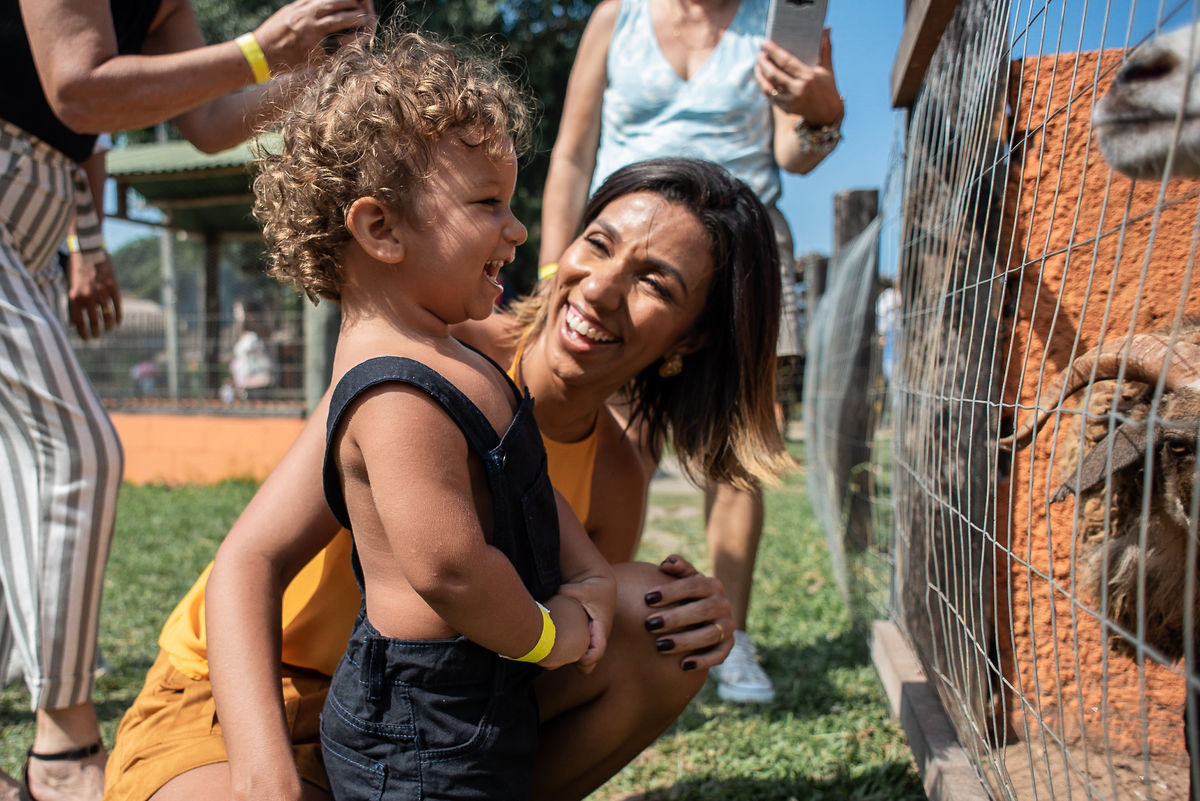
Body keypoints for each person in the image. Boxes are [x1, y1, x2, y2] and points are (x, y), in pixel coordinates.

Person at [105, 155, 790, 801]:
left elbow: (570, 638)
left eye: (654, 282)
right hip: (244, 697)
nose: (602, 288)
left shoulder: (614, 474)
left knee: (656, 617)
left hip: (423, 726)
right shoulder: (433, 343)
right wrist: (266, 778)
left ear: (690, 339)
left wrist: (693, 615)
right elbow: (249, 560)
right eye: (600, 243)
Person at [0, 2, 374, 799]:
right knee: (74, 452)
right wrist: (262, 46)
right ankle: (61, 746)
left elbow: (206, 119)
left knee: (18, 468)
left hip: (38, 208)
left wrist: (316, 67)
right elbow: (79, 92)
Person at [249, 34, 617, 797]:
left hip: (474, 692)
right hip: (424, 722)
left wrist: (590, 575)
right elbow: (449, 568)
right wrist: (549, 635)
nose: (516, 230)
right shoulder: (395, 394)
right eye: (488, 203)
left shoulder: (448, 347)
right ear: (380, 229)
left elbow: (525, 481)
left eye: (512, 204)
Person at [538, 0, 844, 703]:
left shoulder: (769, 23)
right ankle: (594, 619)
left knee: (735, 456)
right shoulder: (617, 16)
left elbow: (795, 154)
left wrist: (822, 113)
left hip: (740, 264)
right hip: (625, 260)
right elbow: (573, 150)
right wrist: (560, 267)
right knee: (615, 444)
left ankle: (729, 640)